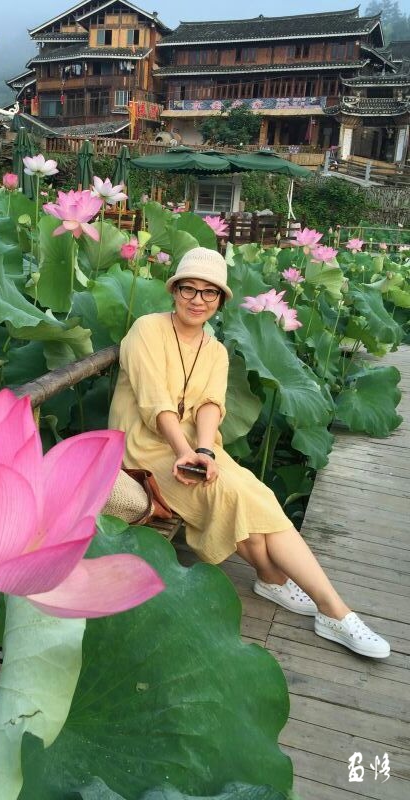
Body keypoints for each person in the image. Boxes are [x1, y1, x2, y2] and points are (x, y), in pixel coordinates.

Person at [109, 247, 390, 659]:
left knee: (258, 495)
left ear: (220, 300)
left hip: (197, 448)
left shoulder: (215, 350)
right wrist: (184, 452)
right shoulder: (147, 330)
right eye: (189, 289)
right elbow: (157, 405)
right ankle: (324, 605)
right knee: (231, 495)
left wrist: (204, 451)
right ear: (174, 291)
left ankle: (312, 599)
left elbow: (210, 405)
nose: (198, 300)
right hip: (145, 449)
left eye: (209, 292)